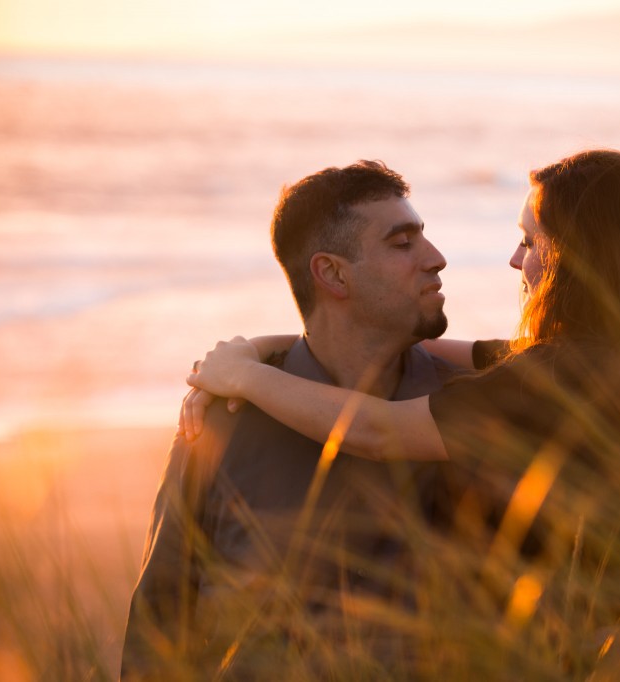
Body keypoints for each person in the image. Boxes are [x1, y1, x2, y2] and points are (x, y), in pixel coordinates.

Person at [187, 149, 620, 677]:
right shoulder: (619, 359)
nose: (516, 259)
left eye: (531, 241)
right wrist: (262, 348)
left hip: (541, 648)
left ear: (582, 255)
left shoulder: (557, 375)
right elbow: (424, 347)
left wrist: (246, 378)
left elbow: (377, 432)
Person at [121, 160, 456, 680]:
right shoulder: (225, 421)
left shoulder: (467, 415)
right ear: (332, 274)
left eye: (423, 239)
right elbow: (162, 615)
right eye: (402, 243)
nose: (436, 260)